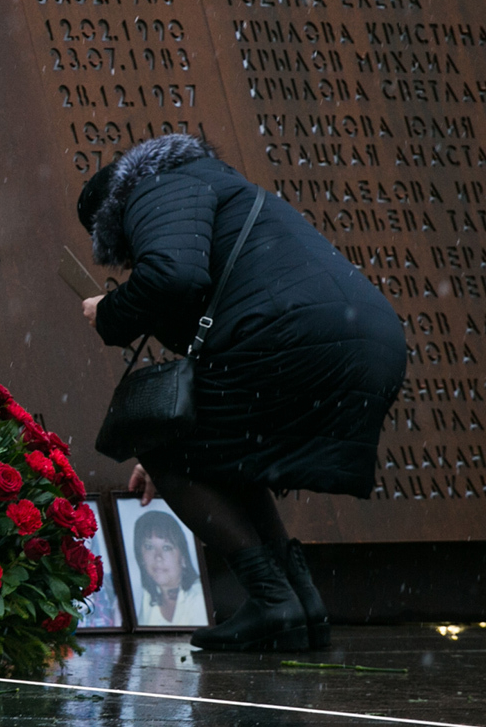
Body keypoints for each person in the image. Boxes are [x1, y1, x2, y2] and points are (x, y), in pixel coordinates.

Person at [77, 135, 406, 652]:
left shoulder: (151, 190)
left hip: (300, 336)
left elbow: (172, 275)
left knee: (165, 448)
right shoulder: (216, 184)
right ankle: (301, 601)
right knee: (226, 454)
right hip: (367, 337)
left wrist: (111, 312)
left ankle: (272, 599)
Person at [132, 510, 208, 627]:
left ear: (183, 557)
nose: (158, 557)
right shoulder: (148, 595)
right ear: (141, 557)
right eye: (149, 547)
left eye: (166, 548)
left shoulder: (199, 598)